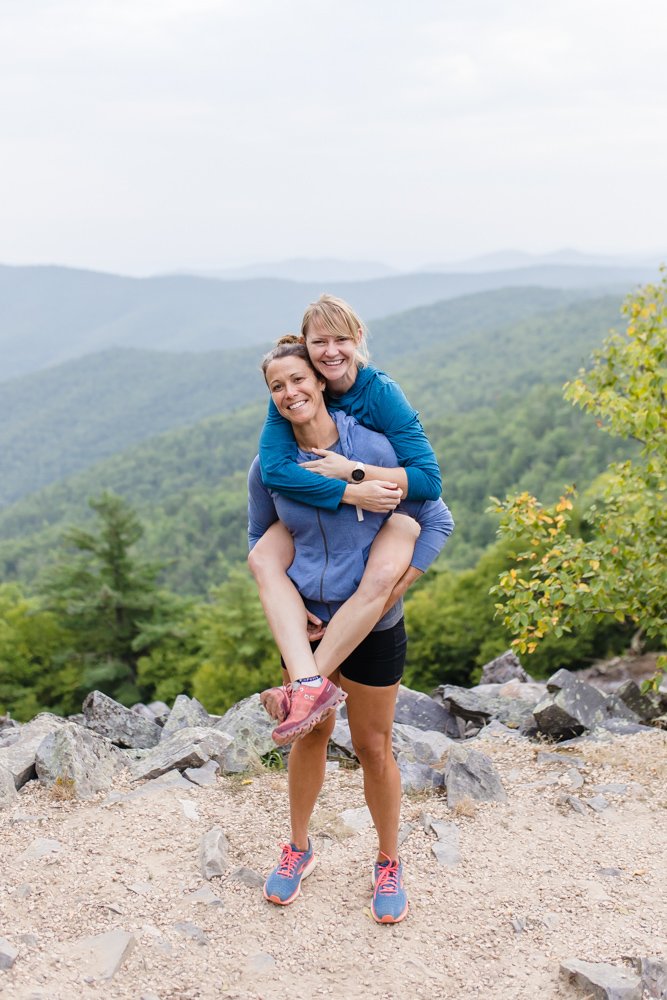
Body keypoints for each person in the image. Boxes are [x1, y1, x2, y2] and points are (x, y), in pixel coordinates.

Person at [248, 338, 454, 924]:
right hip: (310, 626)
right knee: (311, 735)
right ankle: (298, 848)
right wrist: (288, 595)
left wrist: (402, 583)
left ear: (319, 378)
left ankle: (388, 860)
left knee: (373, 746)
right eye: (277, 387)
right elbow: (258, 537)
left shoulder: (372, 444)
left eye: (297, 380)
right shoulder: (270, 466)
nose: (290, 393)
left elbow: (435, 512)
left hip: (375, 623)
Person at [249, 294, 443, 743]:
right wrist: (349, 491)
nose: (331, 350)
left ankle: (302, 688)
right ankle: (310, 687)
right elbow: (275, 471)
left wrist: (354, 472)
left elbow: (431, 486)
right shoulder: (292, 392)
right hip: (346, 508)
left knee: (377, 585)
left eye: (342, 339)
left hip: (396, 511)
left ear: (358, 339)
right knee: (261, 557)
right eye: (320, 341)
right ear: (305, 347)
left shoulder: (381, 394)